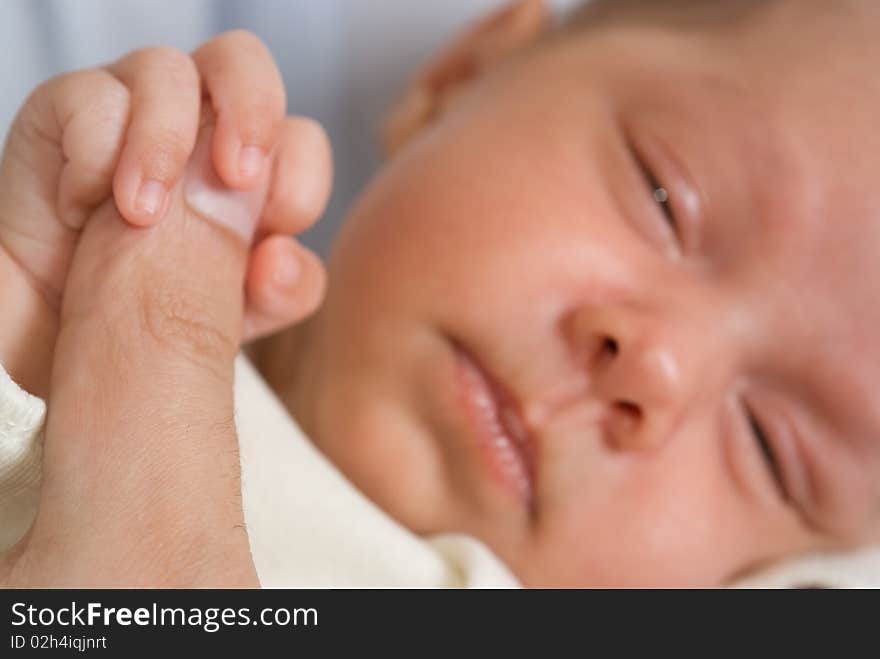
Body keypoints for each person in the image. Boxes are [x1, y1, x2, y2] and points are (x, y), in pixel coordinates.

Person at [2, 0, 880, 587]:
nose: (653, 365)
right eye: (664, 197)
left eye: (774, 448)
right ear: (464, 75)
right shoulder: (95, 337)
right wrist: (38, 334)